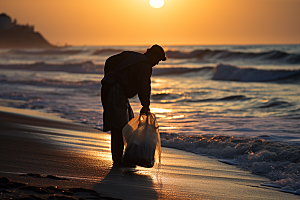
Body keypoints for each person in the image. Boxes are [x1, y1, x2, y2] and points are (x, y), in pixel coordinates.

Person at [101, 44, 167, 167]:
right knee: (119, 126)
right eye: (157, 61)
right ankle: (118, 161)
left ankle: (121, 158)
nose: (156, 64)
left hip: (111, 88)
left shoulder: (136, 57)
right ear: (153, 56)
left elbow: (110, 61)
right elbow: (144, 86)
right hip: (115, 90)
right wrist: (146, 105)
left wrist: (109, 77)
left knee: (124, 123)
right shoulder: (145, 64)